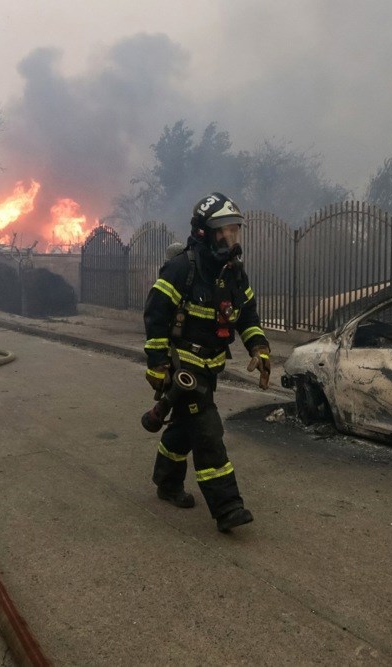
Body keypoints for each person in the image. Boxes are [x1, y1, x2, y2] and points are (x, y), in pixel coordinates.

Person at [143, 192, 271, 533]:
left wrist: (259, 348)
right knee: (208, 433)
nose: (230, 239)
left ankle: (167, 483)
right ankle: (228, 507)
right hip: (182, 368)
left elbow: (248, 317)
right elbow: (156, 316)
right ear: (203, 232)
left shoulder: (234, 275)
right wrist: (157, 364)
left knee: (184, 429)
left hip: (211, 368)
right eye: (222, 232)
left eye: (234, 231)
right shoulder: (182, 268)